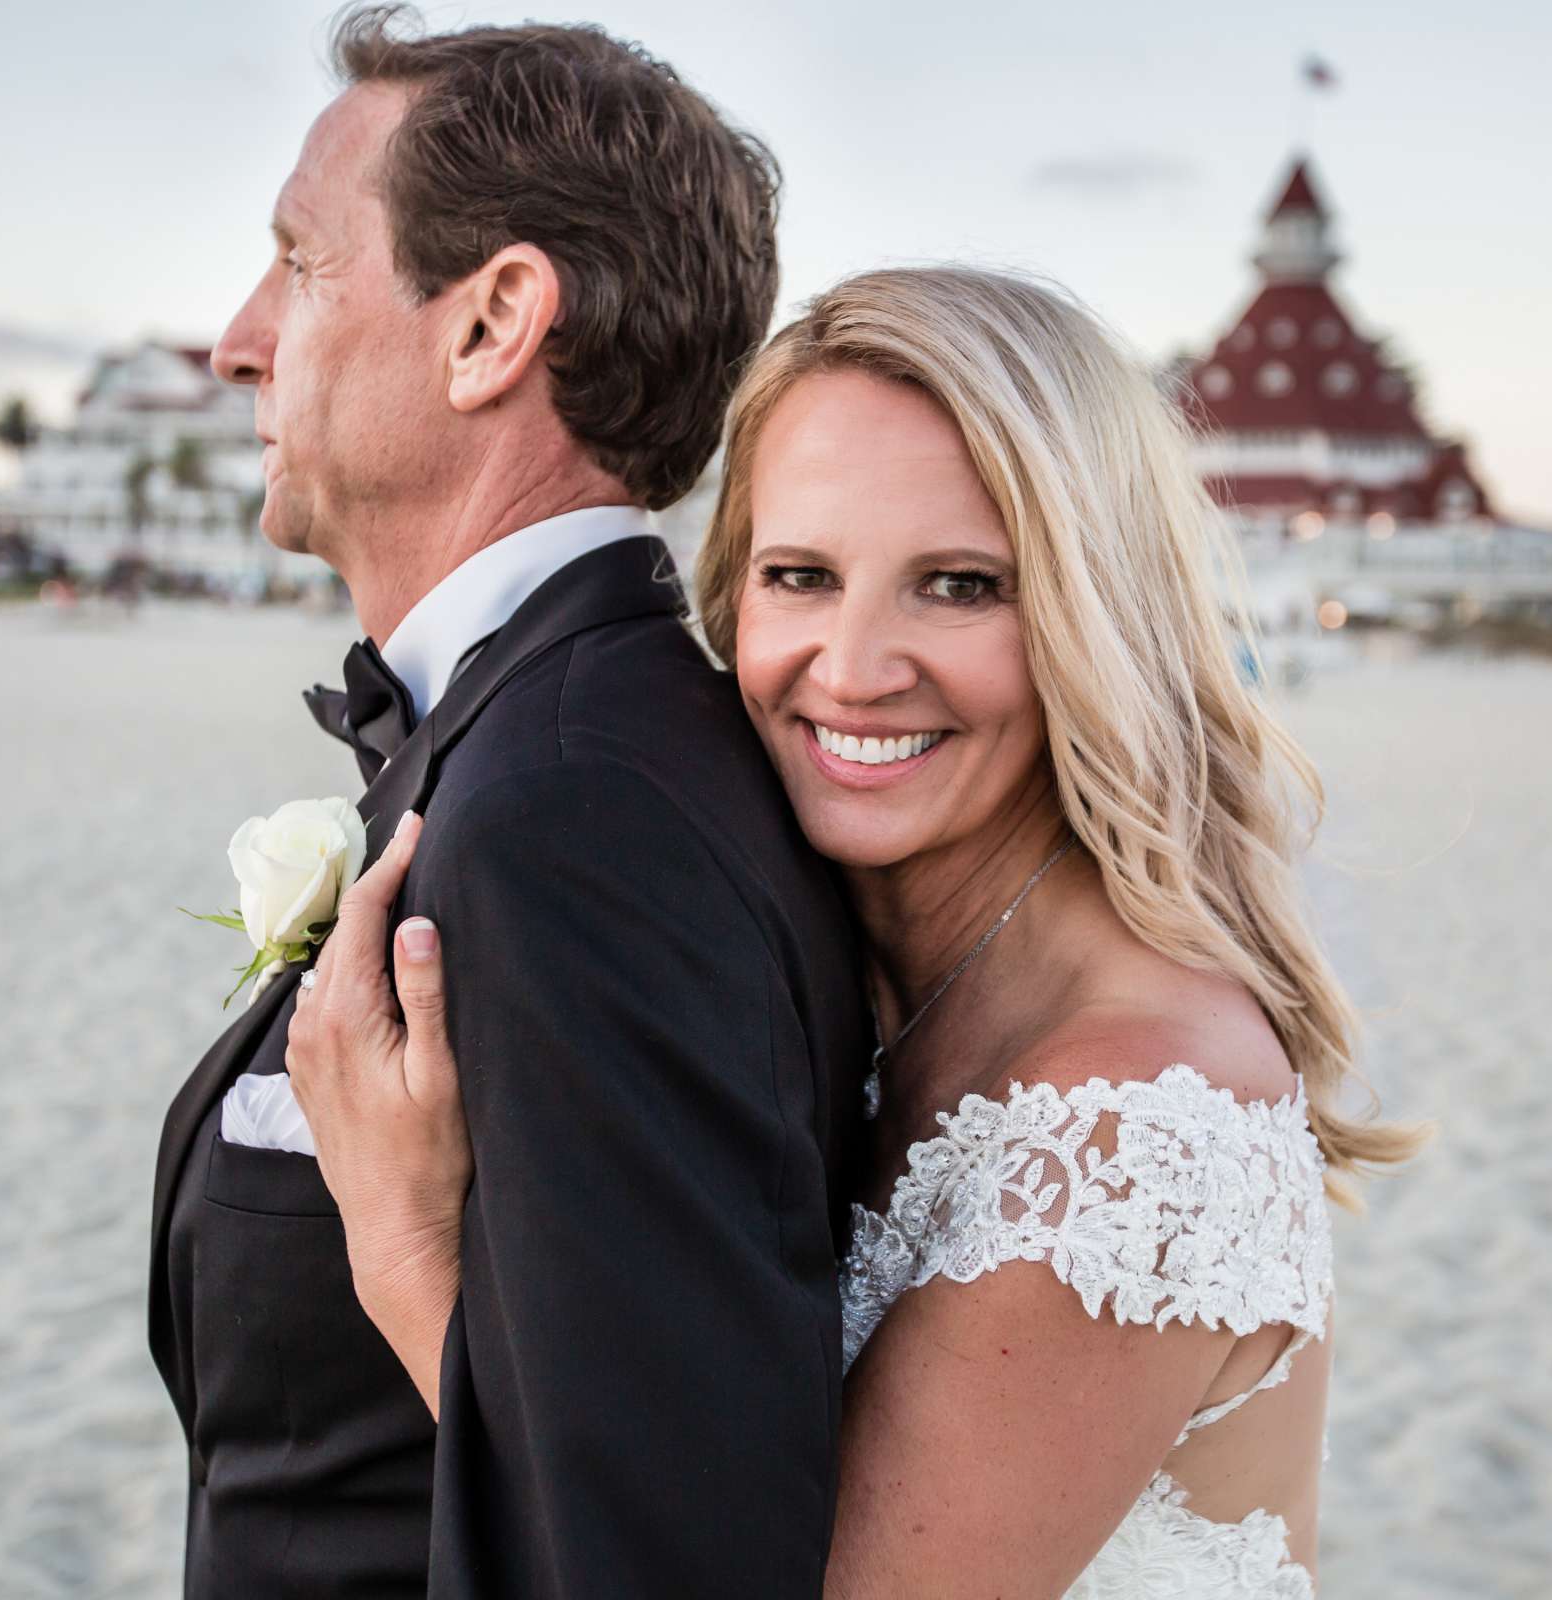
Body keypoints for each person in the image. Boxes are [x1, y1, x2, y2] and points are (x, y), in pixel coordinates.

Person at [288, 266, 1429, 1597]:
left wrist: (411, 1249)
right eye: (801, 576)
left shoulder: (1124, 1129)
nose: (852, 666)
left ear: (1095, 616)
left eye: (957, 585)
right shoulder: (836, 973)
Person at [144, 10, 866, 1597]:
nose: (238, 339)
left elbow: (660, 1556)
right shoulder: (546, 750)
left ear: (491, 328)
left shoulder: (576, 816)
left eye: (301, 262)